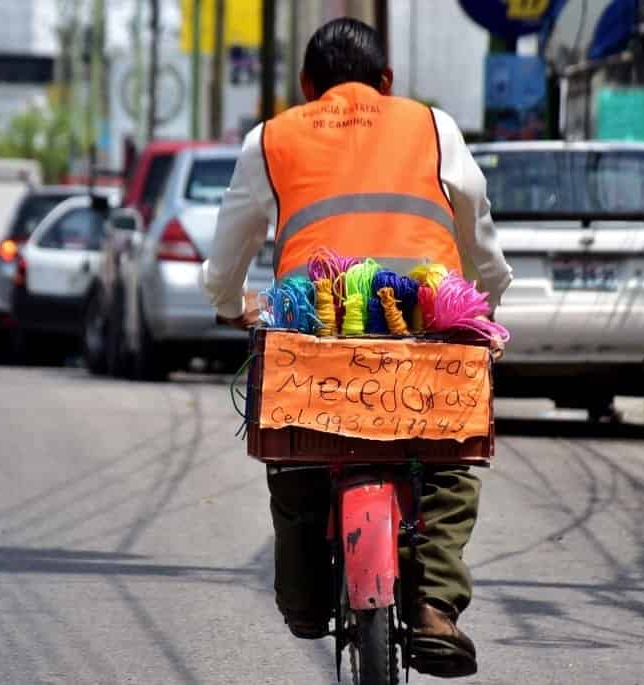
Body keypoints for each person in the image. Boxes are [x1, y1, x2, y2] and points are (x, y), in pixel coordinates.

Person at [200, 17, 512, 679]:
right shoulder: (433, 127)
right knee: (449, 460)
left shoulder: (272, 136)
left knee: (294, 457)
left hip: (314, 322)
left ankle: (307, 597)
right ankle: (433, 607)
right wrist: (485, 303)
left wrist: (230, 304)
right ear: (387, 80)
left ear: (308, 86)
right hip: (425, 319)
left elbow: (230, 249)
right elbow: (477, 231)